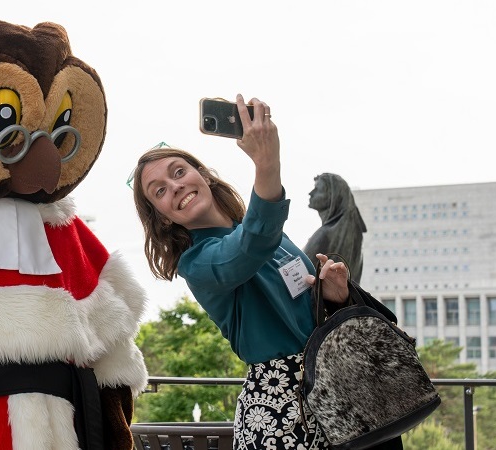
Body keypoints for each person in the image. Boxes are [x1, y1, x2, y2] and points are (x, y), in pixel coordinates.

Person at [130, 95, 401, 449]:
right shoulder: (196, 263)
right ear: (163, 216)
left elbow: (289, 280)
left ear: (204, 177)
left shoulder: (273, 234)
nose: (175, 185)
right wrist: (266, 162)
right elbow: (251, 245)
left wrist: (336, 295)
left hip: (339, 384)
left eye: (179, 171)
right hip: (282, 410)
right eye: (160, 191)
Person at [303, 172, 368, 282]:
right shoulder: (356, 245)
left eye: (317, 189)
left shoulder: (324, 234)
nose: (311, 193)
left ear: (333, 196)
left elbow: (297, 276)